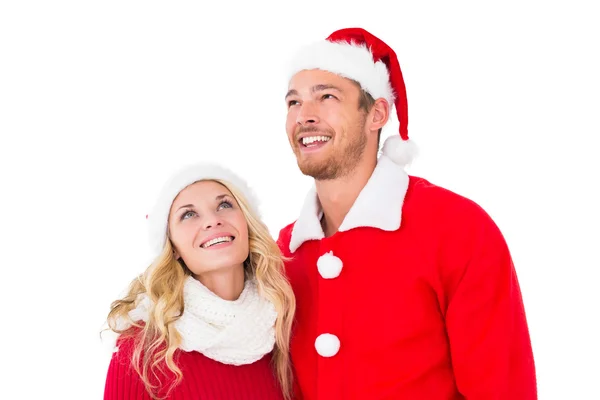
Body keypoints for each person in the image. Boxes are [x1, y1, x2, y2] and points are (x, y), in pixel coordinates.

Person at [277, 27, 537, 399]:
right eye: (294, 102)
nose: (305, 116)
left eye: (327, 97)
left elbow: (503, 387)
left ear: (377, 114)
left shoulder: (458, 229)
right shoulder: (281, 252)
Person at [104, 163, 296, 400]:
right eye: (189, 214)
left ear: (247, 224)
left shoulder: (283, 324)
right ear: (172, 247)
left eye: (224, 205)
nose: (212, 220)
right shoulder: (143, 348)